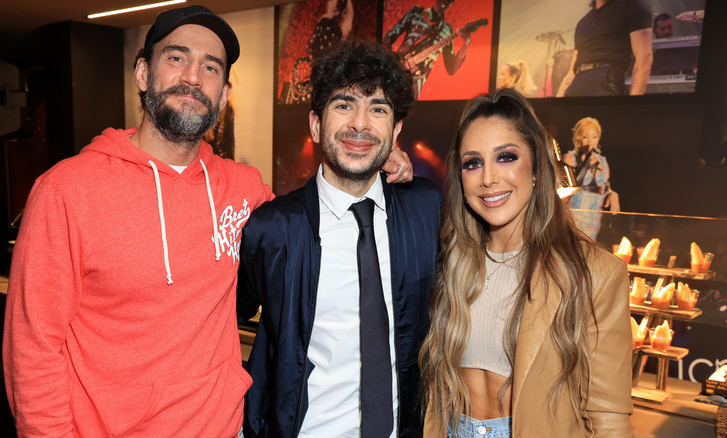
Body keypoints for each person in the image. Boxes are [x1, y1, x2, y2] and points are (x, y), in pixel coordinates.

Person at [2, 6, 414, 437]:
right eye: (177, 58)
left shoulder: (243, 188)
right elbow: (32, 353)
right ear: (143, 73)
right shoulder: (66, 191)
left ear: (224, 92)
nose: (194, 78)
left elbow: (307, 221)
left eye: (210, 67)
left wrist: (371, 157)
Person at [238, 40, 442, 438]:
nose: (361, 124)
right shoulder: (271, 228)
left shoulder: (427, 206)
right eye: (344, 105)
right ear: (316, 124)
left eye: (378, 109)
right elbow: (225, 324)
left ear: (396, 130)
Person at [419, 89, 632, 437]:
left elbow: (608, 414)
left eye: (505, 157)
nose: (488, 178)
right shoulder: (450, 263)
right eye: (473, 162)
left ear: (535, 167)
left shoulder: (595, 273)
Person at [557, 0, 653, 96]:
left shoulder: (633, 6)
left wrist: (633, 105)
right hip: (578, 81)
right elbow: (571, 72)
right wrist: (559, 103)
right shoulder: (582, 23)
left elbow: (644, 57)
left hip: (605, 79)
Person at [383, 0, 473, 98]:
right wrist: (393, 63)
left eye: (448, 2)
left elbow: (451, 69)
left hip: (414, 87)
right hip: (396, 72)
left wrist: (466, 43)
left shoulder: (447, 30)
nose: (444, 4)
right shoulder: (416, 12)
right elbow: (388, 37)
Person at [563, 116, 620, 240]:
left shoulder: (603, 162)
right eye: (585, 136)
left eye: (594, 137)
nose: (590, 141)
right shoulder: (570, 159)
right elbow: (563, 192)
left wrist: (612, 194)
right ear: (578, 138)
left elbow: (606, 187)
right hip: (575, 218)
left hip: (595, 219)